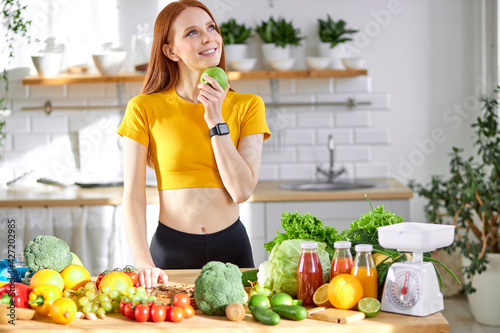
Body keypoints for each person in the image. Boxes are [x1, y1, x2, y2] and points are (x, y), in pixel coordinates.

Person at [117, 0, 271, 289]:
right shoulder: (144, 108)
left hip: (233, 249)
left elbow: (241, 190)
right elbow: (134, 197)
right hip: (170, 250)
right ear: (170, 50)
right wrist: (143, 262)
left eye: (211, 27)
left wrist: (215, 118)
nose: (208, 37)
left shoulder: (247, 105)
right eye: (192, 32)